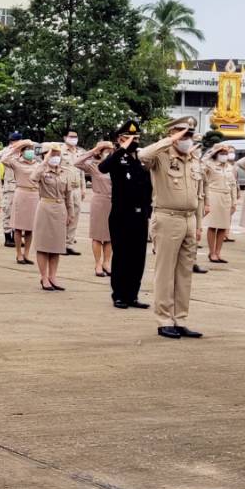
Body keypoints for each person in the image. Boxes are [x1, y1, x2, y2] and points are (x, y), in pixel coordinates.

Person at [141, 117, 203, 339]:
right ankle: (164, 319)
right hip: (167, 218)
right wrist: (169, 140)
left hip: (189, 220)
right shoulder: (161, 156)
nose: (186, 138)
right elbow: (142, 155)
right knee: (165, 272)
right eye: (182, 134)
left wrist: (199, 224)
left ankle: (180, 319)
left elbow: (199, 194)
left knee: (184, 273)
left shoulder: (193, 159)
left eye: (189, 134)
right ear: (172, 135)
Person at [97, 120, 151, 310]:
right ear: (120, 139)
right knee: (122, 256)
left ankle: (133, 295)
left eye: (137, 138)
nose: (134, 141)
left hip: (140, 215)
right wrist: (122, 148)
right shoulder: (117, 158)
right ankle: (119, 295)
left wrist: (148, 212)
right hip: (122, 214)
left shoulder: (140, 159)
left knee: (138, 257)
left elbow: (148, 187)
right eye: (130, 138)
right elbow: (102, 168)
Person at [24, 140, 73, 291]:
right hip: (45, 207)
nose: (56, 157)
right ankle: (44, 277)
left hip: (60, 208)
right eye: (53, 154)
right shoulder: (42, 170)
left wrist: (70, 213)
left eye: (58, 154)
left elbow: (68, 194)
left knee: (56, 246)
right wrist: (44, 162)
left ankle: (53, 277)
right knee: (44, 246)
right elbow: (32, 178)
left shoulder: (65, 171)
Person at [74, 140, 114, 278]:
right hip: (99, 201)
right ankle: (98, 263)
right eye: (106, 149)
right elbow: (77, 162)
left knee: (110, 236)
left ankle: (107, 263)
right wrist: (94, 149)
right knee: (97, 235)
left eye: (110, 149)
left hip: (114, 202)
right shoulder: (94, 165)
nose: (109, 152)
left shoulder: (116, 165)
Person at [3, 140, 40, 266]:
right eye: (27, 149)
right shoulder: (16, 163)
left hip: (34, 195)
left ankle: (26, 254)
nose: (30, 151)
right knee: (18, 227)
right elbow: (4, 159)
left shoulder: (37, 164)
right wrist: (16, 148)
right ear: (22, 152)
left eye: (31, 148)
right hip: (21, 194)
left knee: (30, 228)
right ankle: (18, 253)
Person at [199, 144, 237, 264]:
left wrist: (234, 201)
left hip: (226, 197)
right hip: (213, 195)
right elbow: (201, 164)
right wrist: (211, 152)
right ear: (216, 154)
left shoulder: (230, 167)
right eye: (222, 153)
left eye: (226, 153)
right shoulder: (210, 164)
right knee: (213, 225)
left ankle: (218, 252)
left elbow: (233, 185)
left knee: (223, 226)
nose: (224, 156)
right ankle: (212, 252)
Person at [60, 130, 86, 257]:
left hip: (76, 188)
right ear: (65, 137)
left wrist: (83, 188)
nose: (73, 139)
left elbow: (81, 172)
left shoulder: (79, 152)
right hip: (64, 189)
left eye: (75, 136)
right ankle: (60, 244)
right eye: (71, 136)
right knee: (65, 216)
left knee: (75, 217)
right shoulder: (60, 151)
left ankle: (69, 244)